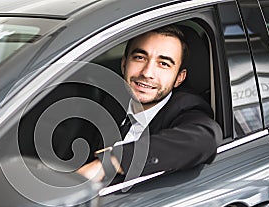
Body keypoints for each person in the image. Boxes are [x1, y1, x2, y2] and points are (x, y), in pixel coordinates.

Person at [77, 25, 222, 184]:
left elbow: (203, 139)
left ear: (179, 78)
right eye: (140, 57)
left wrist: (111, 162)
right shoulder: (111, 101)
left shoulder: (186, 107)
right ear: (124, 64)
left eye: (164, 64)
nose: (147, 73)